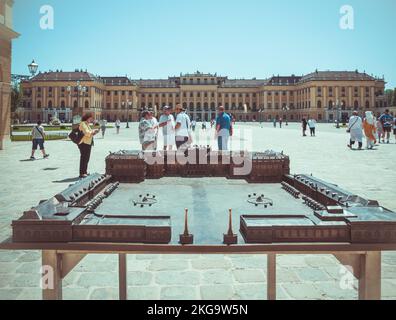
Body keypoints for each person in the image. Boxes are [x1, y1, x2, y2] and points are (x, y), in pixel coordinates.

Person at [78, 113, 99, 178]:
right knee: (84, 158)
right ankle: (82, 173)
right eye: (90, 118)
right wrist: (93, 132)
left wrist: (95, 131)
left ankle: (85, 172)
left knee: (86, 158)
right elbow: (87, 133)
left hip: (88, 143)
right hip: (84, 143)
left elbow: (90, 132)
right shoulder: (83, 124)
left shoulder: (87, 124)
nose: (91, 120)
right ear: (87, 118)